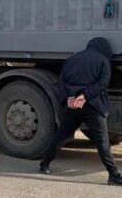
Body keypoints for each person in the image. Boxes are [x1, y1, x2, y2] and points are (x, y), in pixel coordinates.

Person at [39, 37, 122, 186]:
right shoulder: (103, 61)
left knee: (61, 136)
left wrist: (68, 99)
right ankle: (114, 175)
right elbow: (102, 84)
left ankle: (44, 164)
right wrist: (85, 96)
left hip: (73, 105)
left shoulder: (72, 59)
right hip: (93, 105)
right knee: (102, 141)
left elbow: (62, 82)